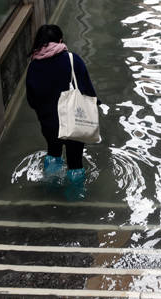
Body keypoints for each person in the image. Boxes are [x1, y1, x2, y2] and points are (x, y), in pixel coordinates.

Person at [26, 24, 98, 198]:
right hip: (74, 122)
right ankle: (74, 197)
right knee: (75, 162)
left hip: (49, 125)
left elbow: (31, 100)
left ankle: (50, 187)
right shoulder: (73, 60)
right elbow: (88, 91)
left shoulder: (34, 66)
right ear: (60, 40)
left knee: (53, 152)